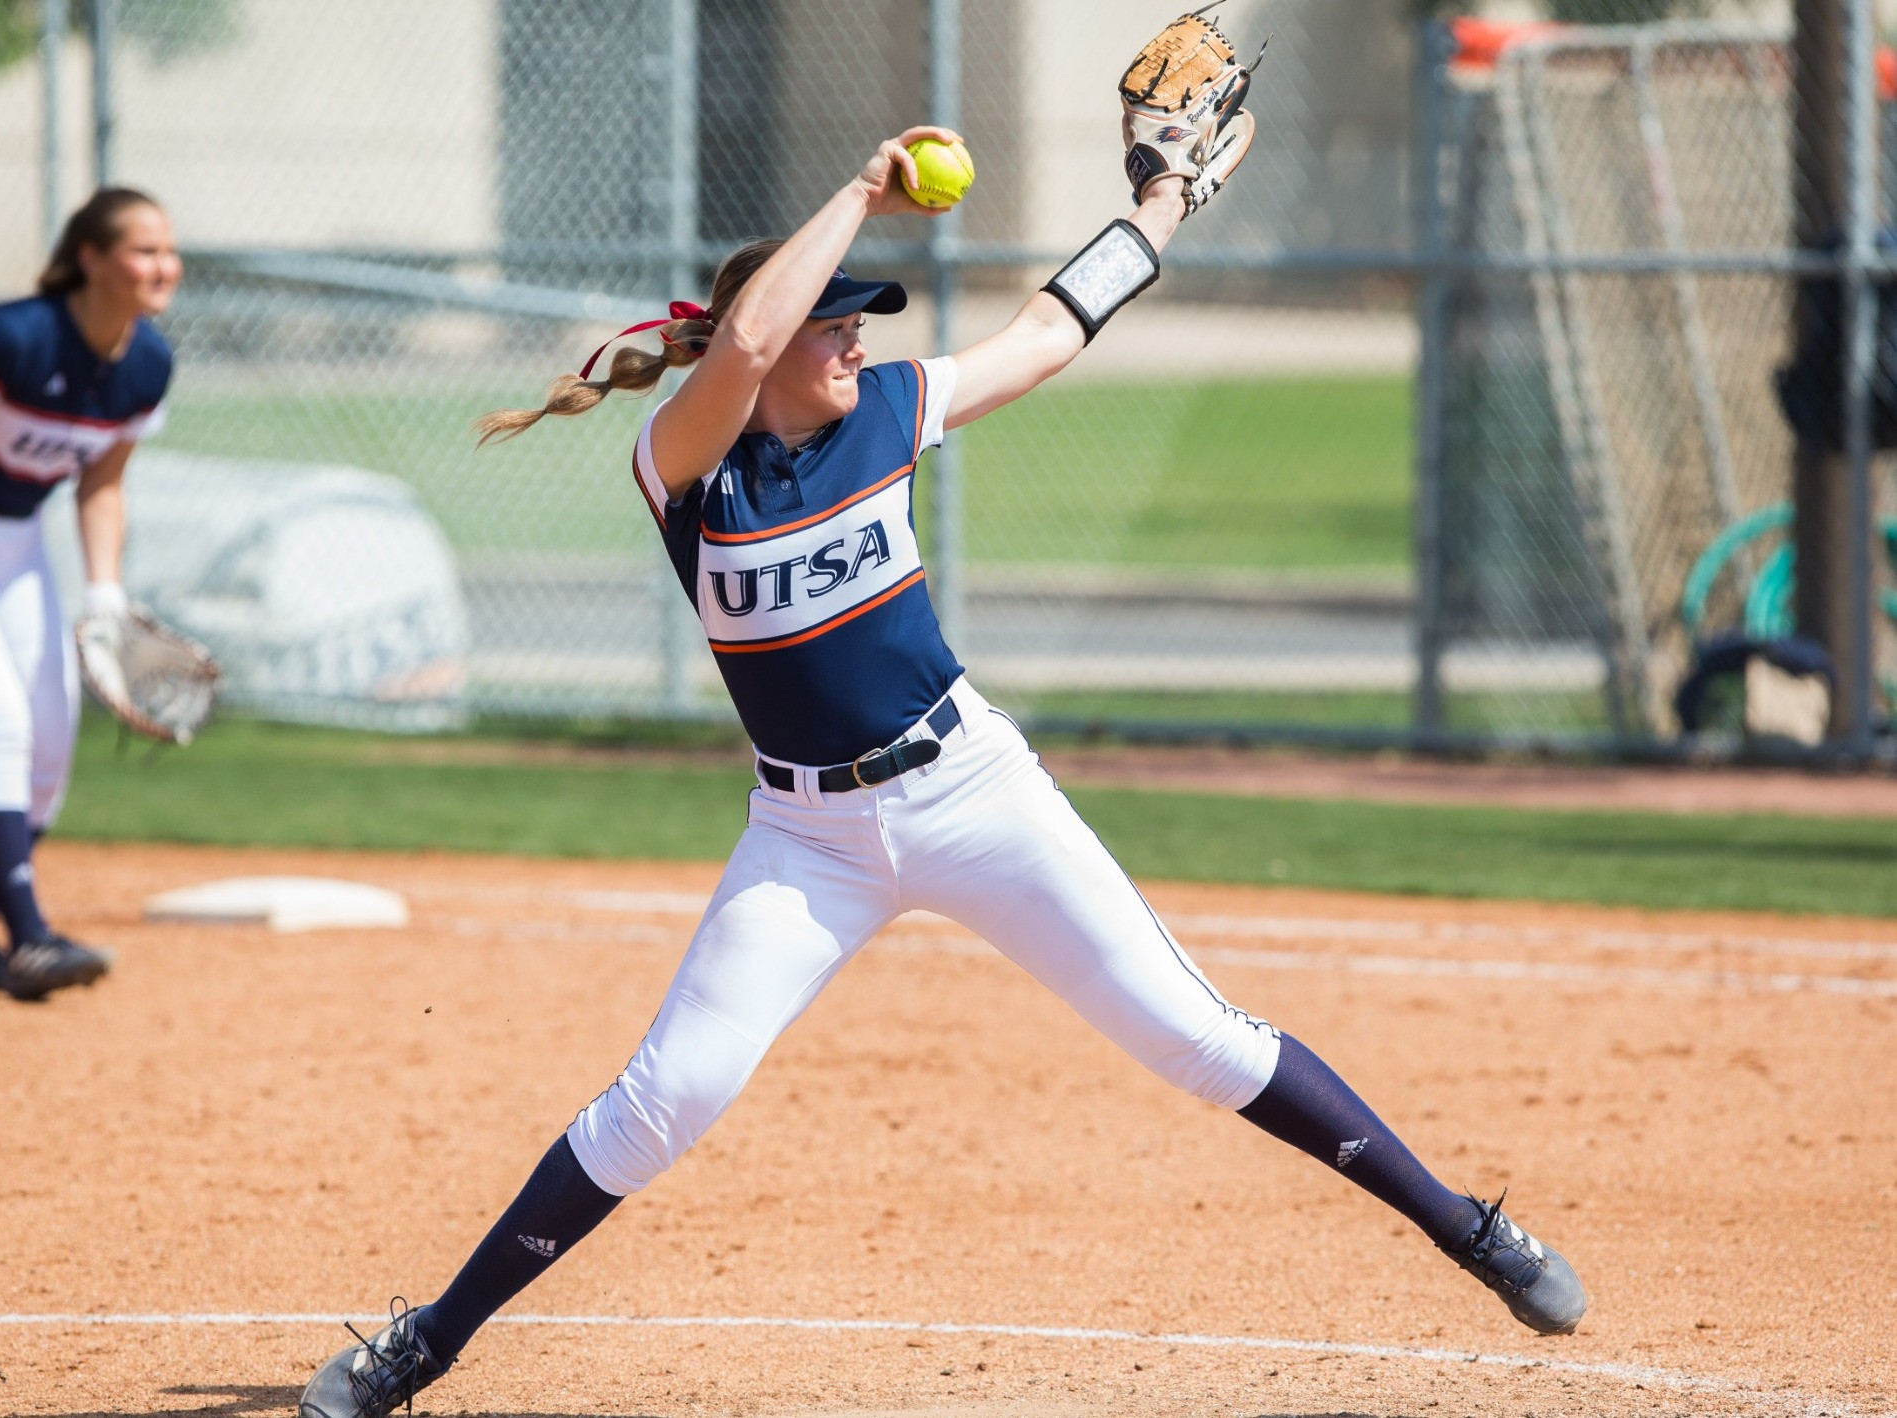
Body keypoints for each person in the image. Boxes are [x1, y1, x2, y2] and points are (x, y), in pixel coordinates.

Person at [296, 128, 1585, 1418]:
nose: (855, 337)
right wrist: (861, 190)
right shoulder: (688, 470)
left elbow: (1051, 328)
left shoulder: (893, 410)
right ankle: (426, 1343)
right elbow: (741, 349)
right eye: (834, 321)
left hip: (972, 790)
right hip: (807, 842)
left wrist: (1161, 201)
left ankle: (1466, 1227)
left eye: (861, 321)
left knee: (1193, 1033)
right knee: (662, 1099)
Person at [0, 188, 180, 1001]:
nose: (162, 265)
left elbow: (101, 486)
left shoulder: (146, 365)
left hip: (14, 545)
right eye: (142, 250)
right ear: (90, 259)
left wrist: (104, 593)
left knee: (48, 738)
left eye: (167, 251)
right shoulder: (14, 337)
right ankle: (30, 939)